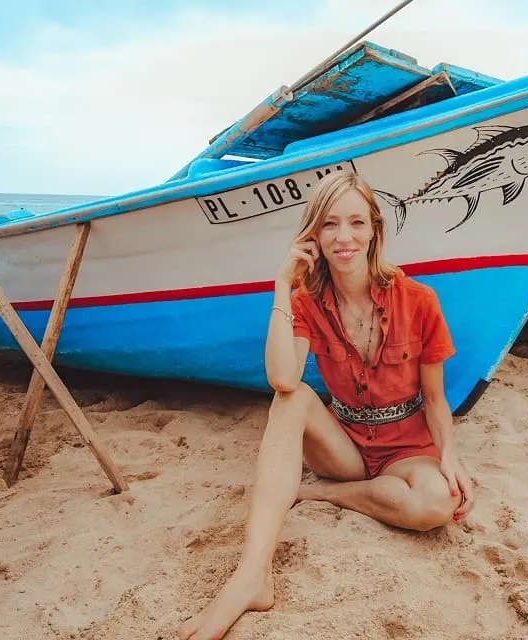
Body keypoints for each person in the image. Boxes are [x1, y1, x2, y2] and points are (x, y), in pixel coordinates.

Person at [178, 171, 474, 640]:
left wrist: (451, 458)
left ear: (375, 228)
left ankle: (317, 494)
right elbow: (281, 377)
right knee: (290, 399)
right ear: (313, 234)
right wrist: (281, 285)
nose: (344, 237)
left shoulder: (418, 300)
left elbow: (436, 398)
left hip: (406, 451)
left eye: (356, 223)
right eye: (330, 224)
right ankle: (251, 575)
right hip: (346, 450)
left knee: (439, 503)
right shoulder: (307, 301)